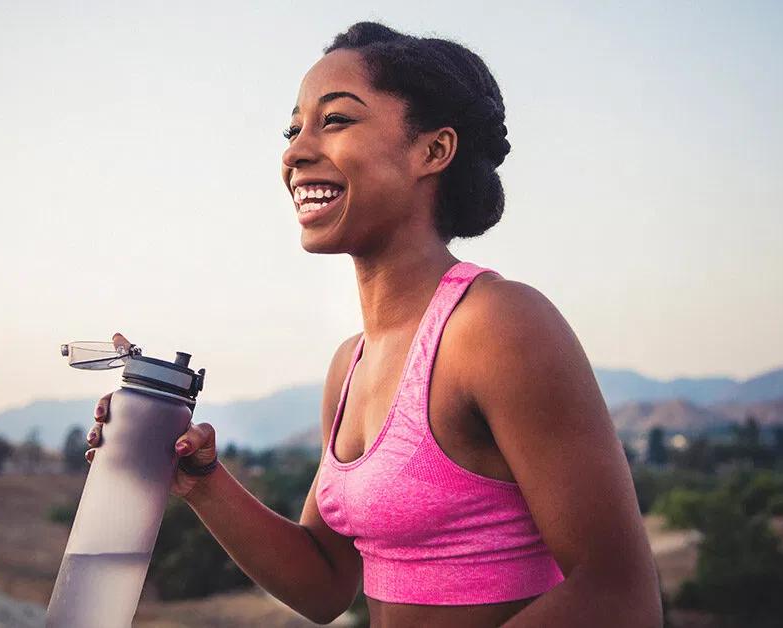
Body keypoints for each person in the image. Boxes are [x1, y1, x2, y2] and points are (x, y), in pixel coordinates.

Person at [85, 21, 661, 628]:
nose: (295, 151)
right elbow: (325, 584)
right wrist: (201, 480)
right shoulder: (350, 364)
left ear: (432, 151)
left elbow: (618, 596)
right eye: (293, 128)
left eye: (334, 121)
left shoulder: (497, 325)